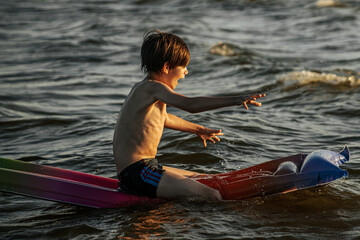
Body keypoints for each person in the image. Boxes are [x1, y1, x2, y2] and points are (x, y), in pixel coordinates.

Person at [113, 30, 265, 201]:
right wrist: (237, 99)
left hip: (143, 169)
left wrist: (198, 129)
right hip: (138, 173)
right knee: (212, 195)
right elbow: (190, 105)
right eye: (183, 67)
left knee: (205, 179)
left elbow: (162, 119)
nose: (186, 72)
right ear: (166, 67)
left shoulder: (144, 89)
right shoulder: (153, 88)